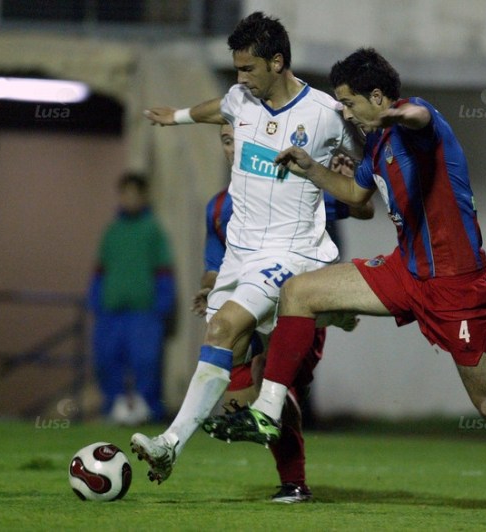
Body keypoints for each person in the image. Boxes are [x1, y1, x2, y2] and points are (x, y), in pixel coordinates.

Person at [203, 48, 486, 517]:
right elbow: (355, 193)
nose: (345, 112)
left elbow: (418, 117)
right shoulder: (377, 145)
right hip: (406, 271)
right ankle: (268, 410)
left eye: (350, 103)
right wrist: (311, 169)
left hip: (457, 288)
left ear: (379, 97)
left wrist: (399, 113)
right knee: (299, 291)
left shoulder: (417, 124)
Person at [130, 11, 362, 489]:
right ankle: (271, 458)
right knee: (229, 362)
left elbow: (361, 189)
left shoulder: (325, 114)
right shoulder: (240, 100)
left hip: (289, 254)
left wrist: (348, 172)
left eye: (248, 68)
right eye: (236, 69)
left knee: (229, 333)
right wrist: (176, 117)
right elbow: (217, 108)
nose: (240, 78)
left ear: (277, 62)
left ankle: (171, 443)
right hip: (241, 255)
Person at [191, 124, 371, 502]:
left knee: (270, 380)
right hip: (250, 311)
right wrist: (209, 288)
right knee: (240, 403)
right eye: (226, 140)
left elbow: (363, 209)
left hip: (296, 309)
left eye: (239, 138)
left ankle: (294, 483)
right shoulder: (219, 206)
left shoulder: (294, 187)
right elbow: (214, 266)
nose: (233, 147)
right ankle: (272, 419)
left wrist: (345, 179)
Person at [88, 172, 176, 425]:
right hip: (111, 313)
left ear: (144, 196)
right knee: (107, 362)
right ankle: (113, 410)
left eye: (135, 194)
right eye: (125, 194)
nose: (130, 199)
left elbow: (164, 272)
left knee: (146, 363)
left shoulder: (153, 231)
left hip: (143, 313)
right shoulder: (112, 231)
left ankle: (148, 412)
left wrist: (162, 307)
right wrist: (96, 301)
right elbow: (100, 271)